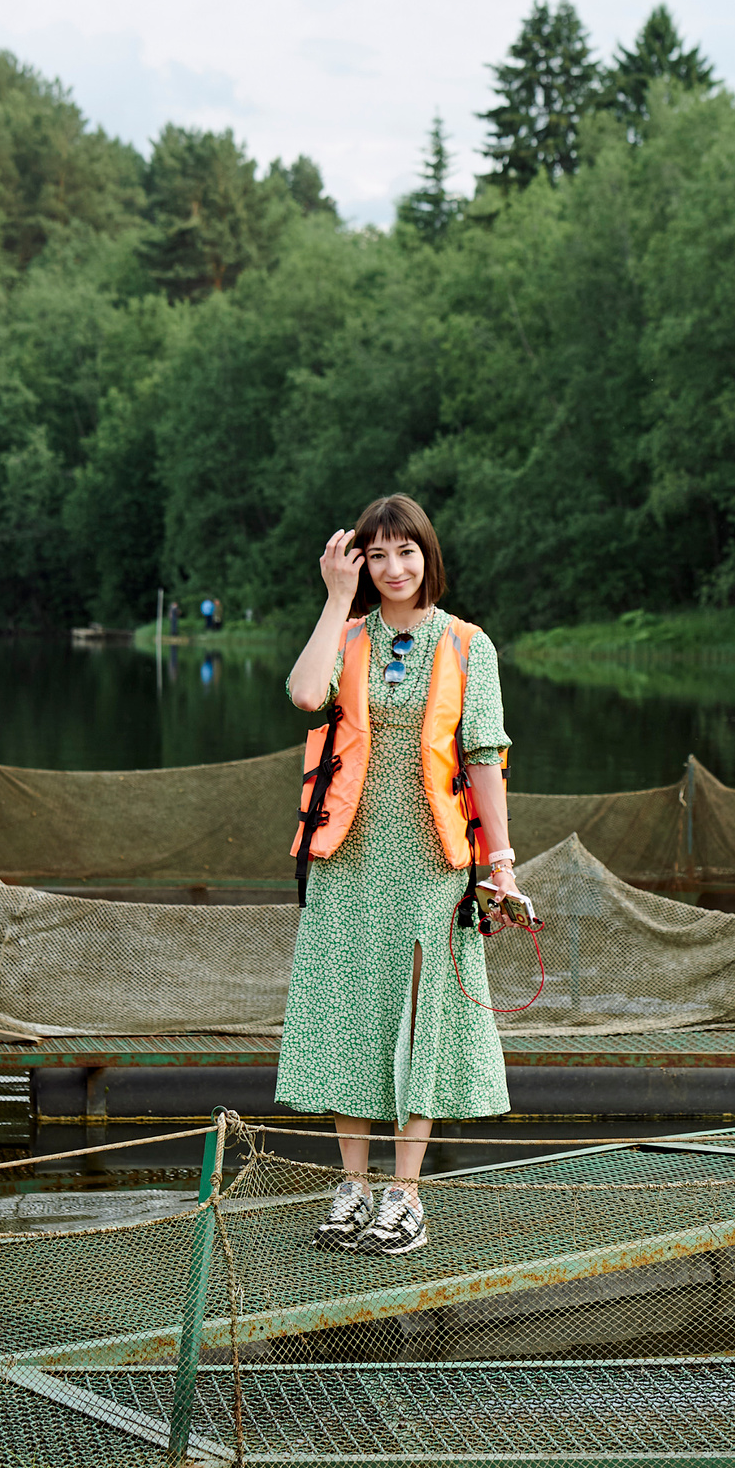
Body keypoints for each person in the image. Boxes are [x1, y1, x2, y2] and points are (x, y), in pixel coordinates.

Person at [280, 494, 528, 1257]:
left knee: (420, 1016)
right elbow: (304, 694)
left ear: (429, 555)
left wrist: (503, 864)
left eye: (405, 552)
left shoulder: (467, 644)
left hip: (429, 862)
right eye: (376, 555)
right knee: (346, 1012)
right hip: (348, 857)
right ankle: (351, 1188)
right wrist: (334, 599)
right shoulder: (347, 634)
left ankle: (405, 1197)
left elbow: (484, 756)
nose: (393, 568)